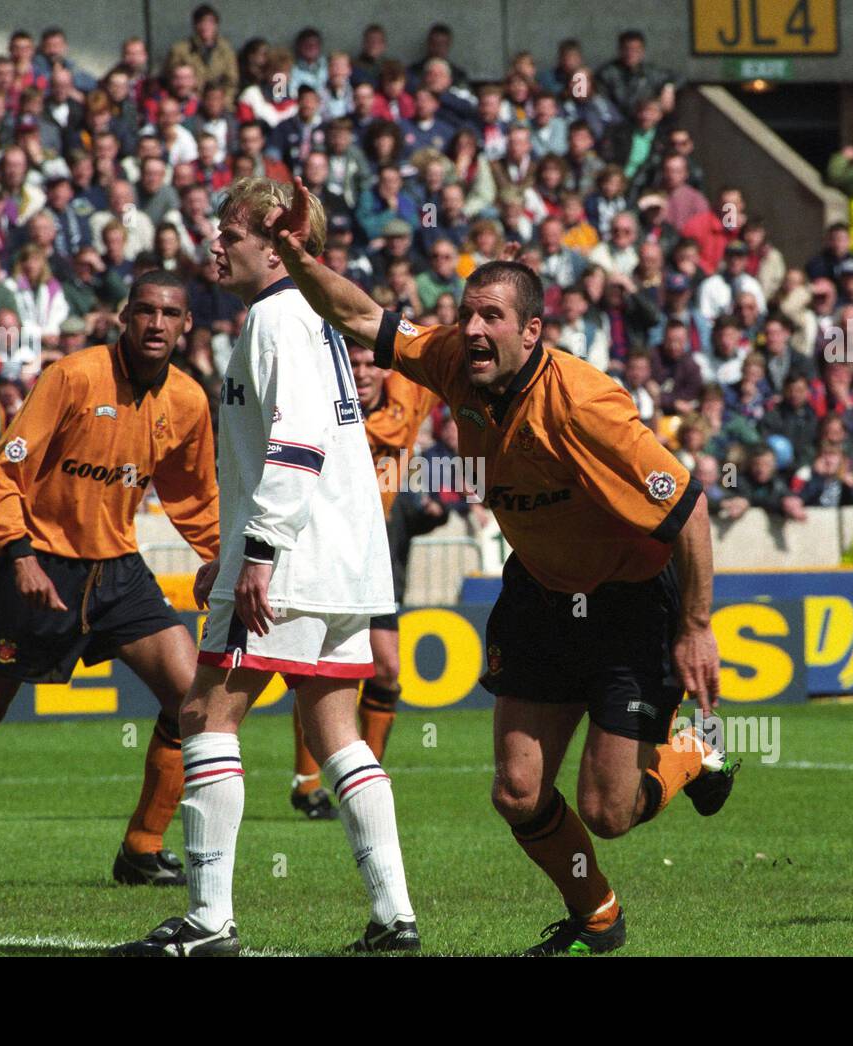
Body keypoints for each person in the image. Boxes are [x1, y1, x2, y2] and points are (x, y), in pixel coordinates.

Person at [268, 177, 736, 956]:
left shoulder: (586, 408)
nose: (473, 330)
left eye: (493, 317)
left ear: (532, 331)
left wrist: (694, 626)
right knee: (519, 793)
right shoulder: (456, 363)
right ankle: (597, 915)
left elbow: (688, 506)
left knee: (611, 809)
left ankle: (696, 752)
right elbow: (357, 314)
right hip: (541, 596)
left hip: (627, 607)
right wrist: (293, 253)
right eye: (467, 314)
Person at [112, 178, 417, 956]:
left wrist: (257, 553)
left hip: (295, 558)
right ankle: (394, 917)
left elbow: (298, 443)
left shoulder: (278, 318)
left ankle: (209, 920)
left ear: (275, 242)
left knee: (205, 716)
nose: (214, 244)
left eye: (229, 232)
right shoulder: (308, 319)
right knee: (336, 729)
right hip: (343, 561)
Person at [0, 270, 220, 887]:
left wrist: (217, 556)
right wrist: (16, 555)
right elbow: (5, 472)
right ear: (124, 317)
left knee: (191, 700)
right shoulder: (72, 376)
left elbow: (196, 496)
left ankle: (141, 850)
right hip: (38, 563)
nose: (157, 324)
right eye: (146, 311)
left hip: (119, 571)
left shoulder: (188, 401)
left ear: (186, 326)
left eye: (170, 314)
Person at [288, 337, 442, 818]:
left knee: (388, 668)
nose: (361, 371)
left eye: (369, 362)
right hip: (325, 552)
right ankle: (307, 781)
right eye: (351, 363)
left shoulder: (407, 400)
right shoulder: (321, 410)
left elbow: (438, 350)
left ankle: (366, 775)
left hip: (373, 558)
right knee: (320, 669)